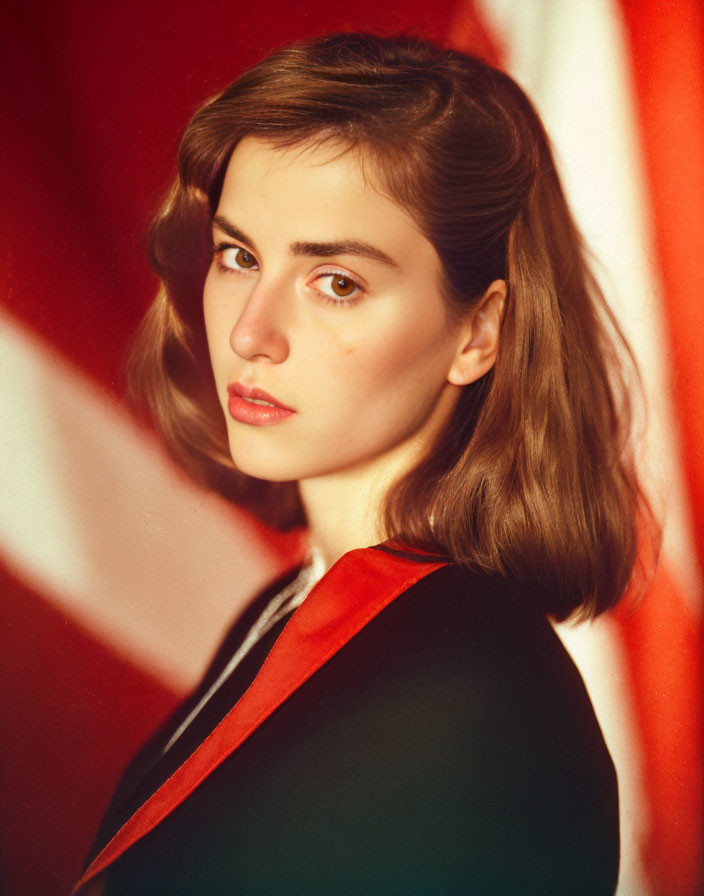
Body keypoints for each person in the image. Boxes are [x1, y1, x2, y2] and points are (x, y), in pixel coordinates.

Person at [74, 32, 657, 895]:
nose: (248, 334)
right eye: (239, 256)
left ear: (478, 332)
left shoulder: (473, 697)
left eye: (335, 281)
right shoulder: (288, 607)